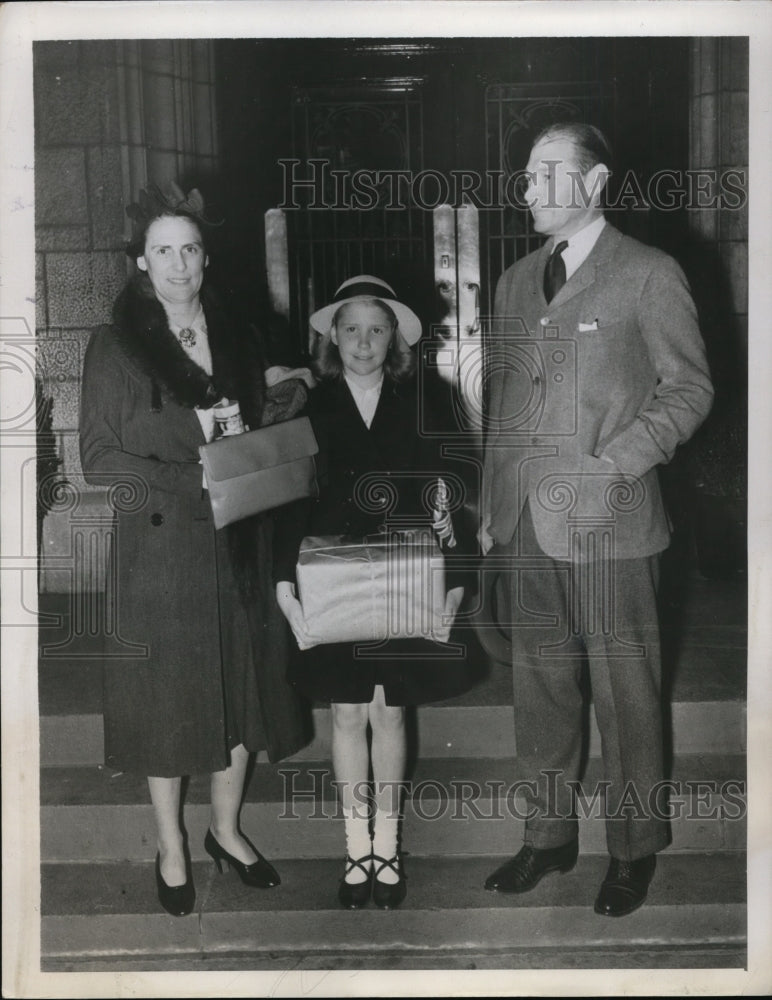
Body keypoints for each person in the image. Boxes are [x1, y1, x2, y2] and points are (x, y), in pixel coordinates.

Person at [480, 123, 714, 917]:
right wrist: (490, 508)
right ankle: (548, 839)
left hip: (612, 523)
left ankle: (633, 850)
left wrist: (616, 460)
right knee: (540, 686)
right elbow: (502, 408)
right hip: (526, 526)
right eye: (525, 175)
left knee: (626, 696)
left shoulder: (649, 274)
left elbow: (689, 390)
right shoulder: (514, 283)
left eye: (547, 174)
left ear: (596, 180)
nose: (528, 189)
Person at [79, 182, 307, 917]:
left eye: (190, 249)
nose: (179, 264)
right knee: (170, 702)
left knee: (239, 690)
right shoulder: (116, 346)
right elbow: (98, 459)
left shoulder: (238, 335)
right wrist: (192, 474)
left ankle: (227, 832)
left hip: (239, 539)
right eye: (162, 251)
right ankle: (171, 845)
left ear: (206, 257)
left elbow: (253, 438)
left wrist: (280, 413)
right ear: (140, 264)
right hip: (162, 550)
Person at [274, 275, 472, 910]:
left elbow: (452, 497)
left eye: (377, 329)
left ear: (396, 339)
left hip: (403, 579)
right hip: (330, 581)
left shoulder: (426, 402)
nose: (364, 342)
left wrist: (456, 585)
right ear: (333, 335)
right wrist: (286, 590)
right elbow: (284, 505)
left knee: (389, 710)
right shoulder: (307, 406)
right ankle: (355, 848)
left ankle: (388, 847)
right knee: (345, 713)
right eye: (351, 329)